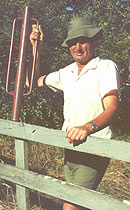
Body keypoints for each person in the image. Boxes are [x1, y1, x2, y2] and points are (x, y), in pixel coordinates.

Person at [27, 17, 120, 210]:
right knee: (76, 200)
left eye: (83, 41)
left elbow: (111, 107)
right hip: (70, 145)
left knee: (71, 206)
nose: (77, 47)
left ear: (94, 41)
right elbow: (32, 81)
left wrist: (88, 127)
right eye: (72, 43)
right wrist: (37, 47)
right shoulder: (66, 72)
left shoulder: (105, 67)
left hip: (94, 147)